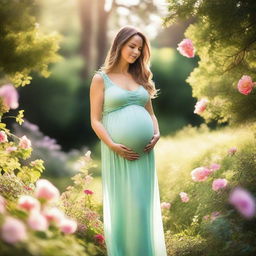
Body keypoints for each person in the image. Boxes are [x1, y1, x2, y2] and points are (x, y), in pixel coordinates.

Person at [90, 25, 167, 256]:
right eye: (131, 46)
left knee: (142, 207)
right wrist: (113, 145)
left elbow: (151, 113)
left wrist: (157, 133)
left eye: (139, 48)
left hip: (144, 153)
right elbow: (95, 120)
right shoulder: (100, 79)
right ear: (120, 44)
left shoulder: (140, 77)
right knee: (127, 207)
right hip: (118, 153)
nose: (135, 52)